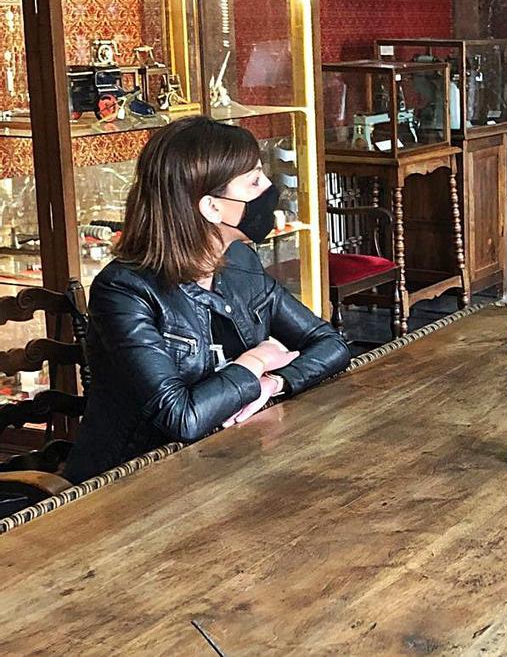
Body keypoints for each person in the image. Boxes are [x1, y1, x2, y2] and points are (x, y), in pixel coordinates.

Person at [64, 117, 351, 483]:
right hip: (133, 483)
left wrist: (273, 384)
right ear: (212, 208)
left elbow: (329, 344)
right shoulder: (125, 291)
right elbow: (181, 417)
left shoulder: (240, 263)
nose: (269, 188)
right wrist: (256, 361)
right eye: (254, 181)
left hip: (222, 464)